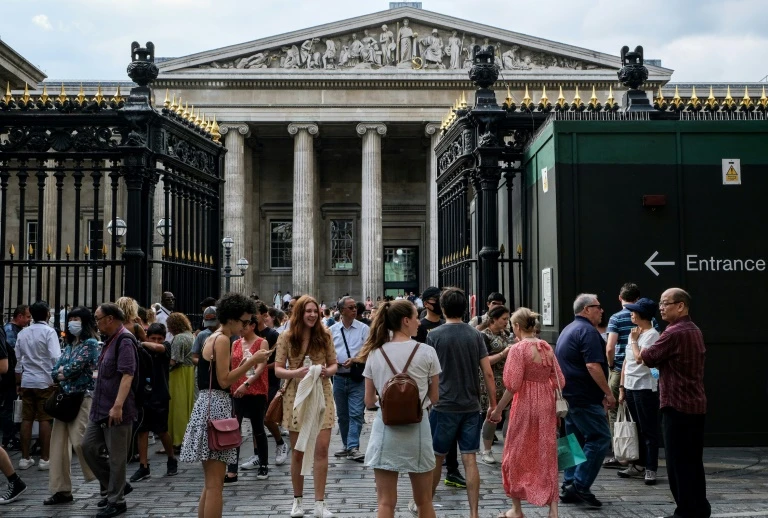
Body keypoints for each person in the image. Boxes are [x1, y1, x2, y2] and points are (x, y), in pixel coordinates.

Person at [180, 293, 269, 518]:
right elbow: (224, 380)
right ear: (232, 318)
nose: (247, 325)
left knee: (211, 483)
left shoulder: (215, 336)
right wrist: (251, 362)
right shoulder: (221, 339)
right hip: (216, 406)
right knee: (215, 485)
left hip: (209, 404)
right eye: (245, 321)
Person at [356, 299, 440, 518]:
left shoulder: (375, 353)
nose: (419, 323)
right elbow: (434, 397)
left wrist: (389, 401)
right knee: (424, 502)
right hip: (418, 430)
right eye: (415, 318)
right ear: (405, 321)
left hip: (386, 431)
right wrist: (416, 404)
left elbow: (368, 402)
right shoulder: (427, 352)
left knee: (385, 503)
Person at [640, 288, 710, 518]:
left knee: (677, 463)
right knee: (693, 462)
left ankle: (686, 511)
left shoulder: (674, 332)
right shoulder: (694, 329)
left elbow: (648, 357)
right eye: (660, 303)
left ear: (680, 305)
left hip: (677, 406)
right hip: (695, 405)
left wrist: (637, 342)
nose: (661, 307)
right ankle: (699, 508)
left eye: (665, 303)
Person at [427, 287, 496, 518]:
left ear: (443, 308)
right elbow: (487, 373)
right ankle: (474, 513)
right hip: (470, 405)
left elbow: (429, 373)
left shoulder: (434, 336)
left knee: (436, 457)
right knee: (470, 459)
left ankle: (426, 504)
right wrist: (493, 403)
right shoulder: (475, 335)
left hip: (443, 405)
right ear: (465, 309)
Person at [490, 308, 564, 518]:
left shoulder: (518, 349)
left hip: (524, 405)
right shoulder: (546, 347)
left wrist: (497, 410)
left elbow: (512, 385)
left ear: (517, 327)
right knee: (546, 453)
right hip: (546, 404)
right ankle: (553, 510)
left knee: (514, 453)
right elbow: (560, 379)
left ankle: (516, 509)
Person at [275, 295, 338, 518]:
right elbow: (278, 370)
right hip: (295, 396)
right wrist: (296, 373)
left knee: (321, 450)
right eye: (308, 311)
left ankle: (320, 504)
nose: (312, 315)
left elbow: (333, 365)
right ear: (299, 313)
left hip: (322, 393)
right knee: (299, 452)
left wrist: (324, 371)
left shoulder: (325, 335)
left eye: (315, 311)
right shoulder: (286, 337)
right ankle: (297, 501)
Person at [555, 294, 616, 509]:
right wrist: (608, 393)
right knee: (599, 438)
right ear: (587, 309)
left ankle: (567, 484)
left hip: (569, 396)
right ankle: (580, 485)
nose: (601, 311)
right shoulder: (588, 332)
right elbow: (592, 366)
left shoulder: (568, 329)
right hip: (583, 397)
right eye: (598, 307)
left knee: (572, 440)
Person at [81, 303, 139, 518]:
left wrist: (118, 406)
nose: (96, 322)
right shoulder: (109, 341)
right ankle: (118, 484)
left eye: (98, 318)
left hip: (116, 409)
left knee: (116, 457)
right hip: (100, 407)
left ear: (110, 318)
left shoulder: (124, 340)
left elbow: (127, 374)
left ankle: (117, 500)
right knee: (87, 447)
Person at [44, 306, 100, 505]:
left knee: (81, 442)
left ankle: (106, 478)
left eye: (76, 318)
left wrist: (62, 371)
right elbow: (56, 369)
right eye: (71, 318)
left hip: (83, 397)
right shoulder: (70, 345)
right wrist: (62, 371)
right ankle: (61, 490)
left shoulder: (91, 344)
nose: (72, 322)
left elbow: (72, 368)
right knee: (58, 445)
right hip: (65, 398)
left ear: (84, 322)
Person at [414, 286, 465, 489]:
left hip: (446, 384)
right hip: (425, 384)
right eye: (435, 299)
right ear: (427, 303)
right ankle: (426, 466)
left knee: (447, 430)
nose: (438, 302)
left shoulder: (446, 324)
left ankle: (452, 469)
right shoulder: (420, 327)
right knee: (427, 430)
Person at [617, 298, 660, 485]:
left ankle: (651, 468)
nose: (631, 314)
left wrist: (634, 341)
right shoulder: (633, 333)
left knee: (648, 429)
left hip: (644, 387)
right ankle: (638, 464)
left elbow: (640, 358)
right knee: (636, 429)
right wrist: (621, 387)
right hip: (631, 386)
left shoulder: (652, 335)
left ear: (643, 315)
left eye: (634, 311)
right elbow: (626, 362)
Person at [14, 300, 60, 470]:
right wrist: (57, 378)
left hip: (27, 380)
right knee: (44, 419)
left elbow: (18, 361)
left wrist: (18, 381)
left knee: (26, 418)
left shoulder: (23, 333)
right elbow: (55, 357)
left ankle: (24, 458)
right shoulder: (49, 332)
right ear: (47, 314)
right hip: (45, 380)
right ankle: (44, 458)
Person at [130, 323, 177, 483]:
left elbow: (159, 349)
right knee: (142, 430)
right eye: (153, 338)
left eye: (160, 338)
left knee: (162, 431)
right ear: (148, 336)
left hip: (160, 394)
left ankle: (171, 458)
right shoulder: (141, 351)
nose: (156, 341)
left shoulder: (165, 347)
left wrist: (142, 341)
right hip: (144, 394)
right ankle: (144, 466)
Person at [225, 316, 270, 482]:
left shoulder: (261, 342)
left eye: (244, 325)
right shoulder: (235, 343)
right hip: (237, 390)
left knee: (258, 428)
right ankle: (232, 469)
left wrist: (247, 384)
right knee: (234, 429)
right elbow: (233, 365)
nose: (240, 328)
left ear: (252, 326)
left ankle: (263, 464)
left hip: (256, 390)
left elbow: (260, 367)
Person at [603, 282, 642, 468]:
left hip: (619, 368)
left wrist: (611, 365)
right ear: (638, 298)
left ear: (620, 298)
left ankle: (621, 454)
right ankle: (638, 453)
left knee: (613, 411)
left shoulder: (616, 318)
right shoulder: (646, 317)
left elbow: (610, 347)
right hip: (641, 369)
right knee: (637, 412)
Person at [329, 297, 370, 463]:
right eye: (351, 307)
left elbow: (369, 352)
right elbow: (327, 352)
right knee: (342, 415)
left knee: (356, 413)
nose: (355, 310)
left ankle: (353, 447)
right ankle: (347, 446)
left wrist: (355, 360)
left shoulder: (363, 329)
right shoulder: (331, 330)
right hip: (338, 377)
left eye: (355, 307)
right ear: (341, 311)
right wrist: (332, 362)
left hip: (356, 377)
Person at [477, 305, 513, 465]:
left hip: (507, 380)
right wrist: (502, 354)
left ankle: (508, 448)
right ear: (494, 319)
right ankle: (486, 450)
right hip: (491, 380)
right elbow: (483, 362)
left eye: (508, 319)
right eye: (504, 319)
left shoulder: (506, 335)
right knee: (492, 415)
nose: (507, 322)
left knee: (509, 415)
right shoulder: (484, 336)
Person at [256, 303, 289, 466]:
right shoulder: (248, 333)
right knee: (256, 419)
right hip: (253, 380)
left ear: (264, 315)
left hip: (270, 380)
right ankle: (257, 455)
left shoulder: (273, 335)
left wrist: (256, 367)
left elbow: (278, 361)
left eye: (255, 314)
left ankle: (281, 443)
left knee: (267, 418)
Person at [1, 305, 29, 451]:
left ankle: (11, 435)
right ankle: (8, 437)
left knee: (11, 406)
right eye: (27, 317)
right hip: (10, 374)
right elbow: (14, 354)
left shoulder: (16, 330)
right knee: (9, 406)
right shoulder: (10, 331)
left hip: (13, 373)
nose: (29, 320)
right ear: (19, 316)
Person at [166, 313, 195, 450]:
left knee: (177, 407)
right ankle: (187, 438)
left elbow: (174, 360)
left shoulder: (178, 338)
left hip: (179, 374)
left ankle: (177, 439)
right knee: (187, 407)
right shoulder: (191, 335)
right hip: (190, 372)